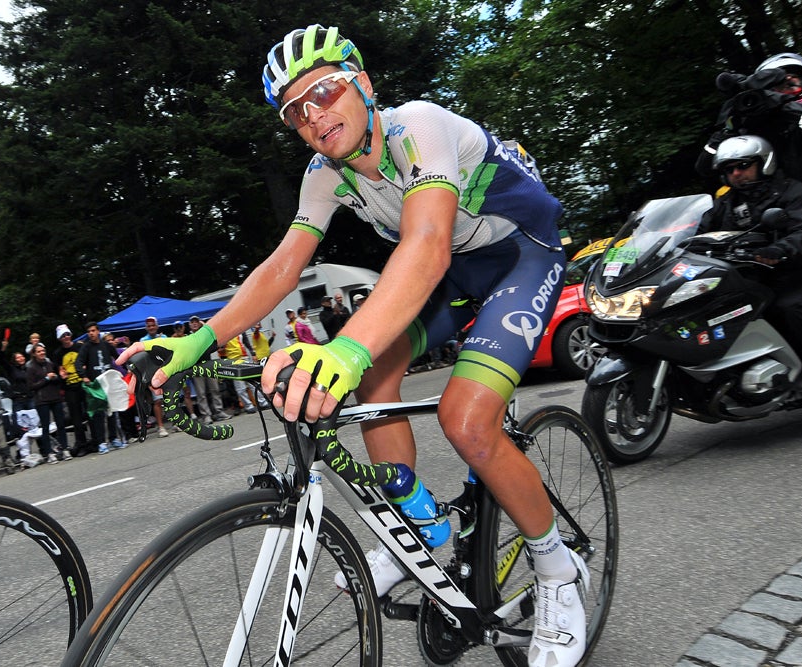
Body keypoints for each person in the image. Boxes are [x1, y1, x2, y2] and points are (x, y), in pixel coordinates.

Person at [118, 24, 583, 667]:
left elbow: (427, 243)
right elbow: (283, 267)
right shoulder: (325, 173)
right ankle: (419, 529)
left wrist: (343, 350)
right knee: (372, 387)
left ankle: (558, 572)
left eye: (325, 93)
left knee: (465, 419)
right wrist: (196, 341)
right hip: (450, 276)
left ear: (362, 84)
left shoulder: (418, 125)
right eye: (295, 111)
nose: (313, 117)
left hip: (518, 260)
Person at [697, 135, 802, 399]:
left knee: (792, 306)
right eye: (729, 169)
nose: (736, 173)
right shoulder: (727, 203)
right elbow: (701, 230)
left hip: (801, 270)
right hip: (751, 275)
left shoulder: (795, 193)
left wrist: (780, 250)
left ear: (763, 162)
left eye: (743, 165)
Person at [697, 52, 802, 197]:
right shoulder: (760, 121)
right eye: (780, 81)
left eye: (794, 75)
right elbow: (705, 167)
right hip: (786, 205)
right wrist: (731, 126)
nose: (788, 80)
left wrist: (780, 105)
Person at [76, 322, 126, 451]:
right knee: (98, 414)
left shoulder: (106, 346)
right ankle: (101, 442)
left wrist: (128, 368)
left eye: (93, 330)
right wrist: (83, 375)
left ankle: (114, 438)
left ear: (98, 331)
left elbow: (119, 358)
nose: (91, 333)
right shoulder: (86, 348)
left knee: (111, 411)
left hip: (108, 383)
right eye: (89, 331)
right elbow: (78, 362)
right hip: (96, 385)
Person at [27, 343, 69, 462]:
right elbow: (31, 386)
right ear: (34, 354)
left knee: (61, 424)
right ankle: (49, 453)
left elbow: (58, 379)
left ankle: (65, 448)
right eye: (39, 351)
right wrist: (46, 379)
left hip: (55, 397)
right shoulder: (31, 368)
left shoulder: (51, 364)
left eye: (43, 351)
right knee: (45, 427)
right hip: (42, 400)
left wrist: (60, 377)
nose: (42, 353)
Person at [51, 324, 90, 456]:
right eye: (63, 335)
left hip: (83, 384)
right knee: (76, 418)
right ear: (59, 338)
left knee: (91, 412)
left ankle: (96, 441)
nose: (66, 337)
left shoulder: (79, 347)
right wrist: (60, 373)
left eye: (67, 334)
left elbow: (87, 360)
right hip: (70, 388)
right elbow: (57, 369)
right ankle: (82, 444)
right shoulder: (57, 353)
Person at [186, 316, 231, 424]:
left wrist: (204, 324)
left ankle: (219, 411)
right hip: (196, 367)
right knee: (201, 393)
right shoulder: (187, 337)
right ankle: (206, 415)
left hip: (209, 364)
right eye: (192, 322)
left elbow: (212, 331)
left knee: (215, 389)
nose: (195, 323)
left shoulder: (204, 334)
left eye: (196, 321)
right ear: (189, 325)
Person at [139, 316, 170, 438]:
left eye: (153, 325)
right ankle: (161, 427)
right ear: (146, 328)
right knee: (157, 401)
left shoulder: (164, 337)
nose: (151, 327)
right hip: (153, 374)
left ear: (157, 326)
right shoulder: (143, 340)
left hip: (167, 371)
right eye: (149, 326)